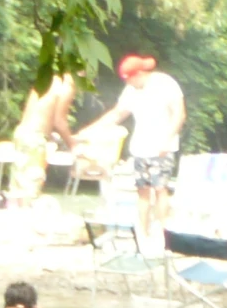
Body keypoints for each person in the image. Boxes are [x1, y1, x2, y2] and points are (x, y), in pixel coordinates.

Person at [78, 55, 186, 242]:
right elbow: (117, 113)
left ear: (139, 74)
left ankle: (163, 234)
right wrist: (87, 132)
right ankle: (142, 234)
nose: (127, 83)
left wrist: (167, 140)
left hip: (163, 146)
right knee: (142, 191)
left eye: (129, 78)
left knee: (160, 188)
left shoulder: (165, 84)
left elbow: (179, 114)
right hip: (140, 147)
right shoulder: (130, 90)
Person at [11, 74, 75, 204]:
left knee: (18, 191)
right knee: (31, 189)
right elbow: (59, 121)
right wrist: (74, 145)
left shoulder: (49, 79)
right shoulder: (67, 86)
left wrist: (51, 136)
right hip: (35, 139)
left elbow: (39, 113)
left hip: (22, 134)